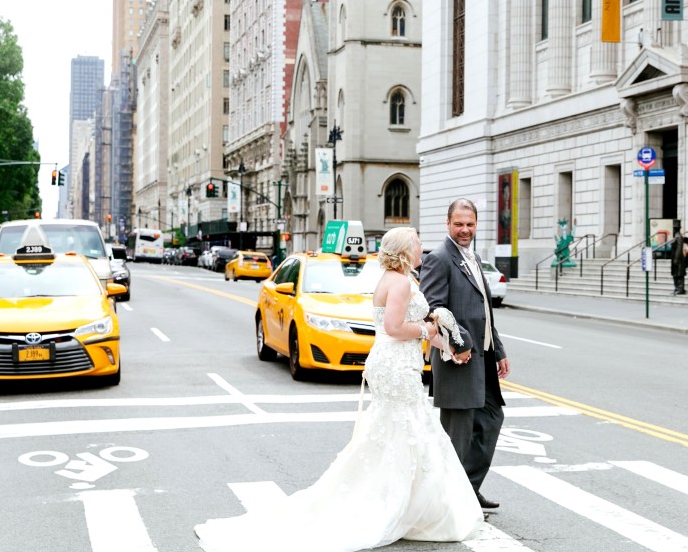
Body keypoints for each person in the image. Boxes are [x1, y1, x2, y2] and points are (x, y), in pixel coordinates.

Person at [194, 227, 484, 552]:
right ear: (405, 249)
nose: (421, 248)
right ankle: (403, 506)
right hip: (396, 364)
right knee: (408, 429)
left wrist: (445, 344)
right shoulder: (400, 282)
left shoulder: (393, 277)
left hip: (392, 362)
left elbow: (399, 325)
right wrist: (428, 327)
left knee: (395, 430)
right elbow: (394, 327)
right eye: (417, 243)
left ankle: (404, 501)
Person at [419, 198, 511, 512]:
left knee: (491, 419)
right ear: (448, 224)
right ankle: (448, 505)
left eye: (470, 224)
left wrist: (497, 349)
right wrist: (463, 343)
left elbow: (484, 310)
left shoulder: (473, 256)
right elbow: (434, 310)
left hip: (483, 360)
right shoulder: (440, 258)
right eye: (459, 224)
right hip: (458, 359)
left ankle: (467, 488)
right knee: (457, 436)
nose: (465, 229)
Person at [670, 229, 687, 295]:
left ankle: (680, 289)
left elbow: (679, 249)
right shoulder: (675, 236)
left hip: (678, 259)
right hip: (674, 257)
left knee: (679, 274)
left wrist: (676, 259)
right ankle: (677, 288)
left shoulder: (679, 236)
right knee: (675, 274)